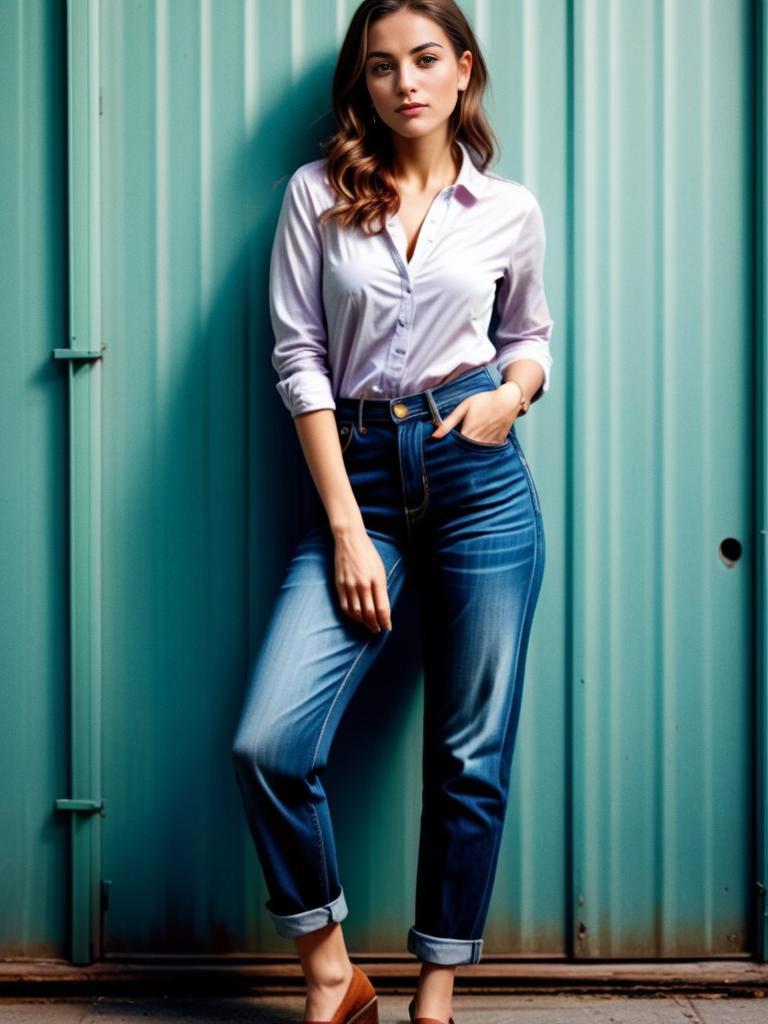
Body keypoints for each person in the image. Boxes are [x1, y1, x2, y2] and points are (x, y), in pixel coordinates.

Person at [231, 2, 554, 1022]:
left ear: (463, 71)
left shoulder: (510, 210)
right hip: (359, 483)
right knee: (269, 742)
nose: (404, 82)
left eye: (423, 60)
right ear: (361, 85)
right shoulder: (315, 197)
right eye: (380, 67)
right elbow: (299, 359)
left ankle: (435, 993)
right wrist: (339, 527)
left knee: (469, 750)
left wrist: (510, 396)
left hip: (480, 478)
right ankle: (334, 975)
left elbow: (530, 335)